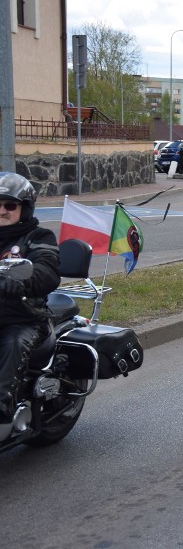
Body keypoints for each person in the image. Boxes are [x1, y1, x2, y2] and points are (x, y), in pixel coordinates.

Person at [0, 173, 61, 434]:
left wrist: (21, 282)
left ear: (24, 208)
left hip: (24, 317)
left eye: (9, 205)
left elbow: (47, 269)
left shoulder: (38, 236)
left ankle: (1, 413)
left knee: (13, 343)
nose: (2, 211)